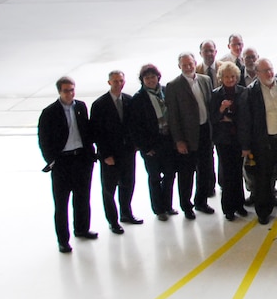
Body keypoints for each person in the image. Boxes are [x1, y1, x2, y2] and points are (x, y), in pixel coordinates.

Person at [38, 76, 97, 253]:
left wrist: (90, 155)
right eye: (66, 91)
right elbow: (44, 140)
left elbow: (86, 132)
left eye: (72, 90)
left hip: (81, 159)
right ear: (59, 92)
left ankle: (81, 229)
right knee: (62, 203)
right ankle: (63, 240)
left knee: (82, 197)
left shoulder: (80, 107)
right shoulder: (49, 112)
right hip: (62, 162)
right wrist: (52, 161)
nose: (70, 94)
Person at [242, 58, 277, 224]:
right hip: (264, 143)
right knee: (263, 178)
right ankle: (264, 211)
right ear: (257, 73)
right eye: (265, 71)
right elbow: (246, 120)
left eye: (271, 69)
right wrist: (247, 146)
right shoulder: (251, 92)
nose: (269, 73)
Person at [90, 69, 141, 234]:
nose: (119, 84)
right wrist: (105, 155)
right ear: (109, 83)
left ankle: (126, 213)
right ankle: (113, 220)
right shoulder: (99, 104)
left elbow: (134, 125)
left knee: (128, 183)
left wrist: (135, 146)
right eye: (115, 81)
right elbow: (97, 133)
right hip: (110, 155)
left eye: (121, 81)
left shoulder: (129, 100)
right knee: (109, 189)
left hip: (127, 152)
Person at [165, 52, 215, 219]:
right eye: (184, 65)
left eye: (190, 64)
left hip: (205, 132)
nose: (188, 67)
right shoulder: (173, 86)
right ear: (179, 66)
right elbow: (173, 117)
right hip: (187, 137)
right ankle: (186, 206)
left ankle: (201, 202)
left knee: (205, 170)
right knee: (186, 173)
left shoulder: (205, 80)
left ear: (195, 63)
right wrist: (179, 140)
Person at [129, 64, 177, 221]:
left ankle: (168, 205)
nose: (150, 80)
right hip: (151, 145)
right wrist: (145, 147)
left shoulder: (165, 91)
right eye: (147, 78)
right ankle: (159, 209)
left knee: (170, 174)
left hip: (167, 141)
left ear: (158, 77)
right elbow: (134, 127)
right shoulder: (138, 99)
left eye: (153, 77)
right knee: (155, 177)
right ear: (142, 80)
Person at [210, 61, 249, 220]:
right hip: (224, 140)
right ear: (221, 78)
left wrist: (229, 117)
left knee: (238, 172)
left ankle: (240, 205)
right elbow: (212, 118)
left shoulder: (243, 92)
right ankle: (228, 209)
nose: (230, 79)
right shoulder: (216, 94)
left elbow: (245, 116)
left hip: (238, 138)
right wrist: (221, 110)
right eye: (226, 77)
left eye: (233, 76)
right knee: (227, 174)